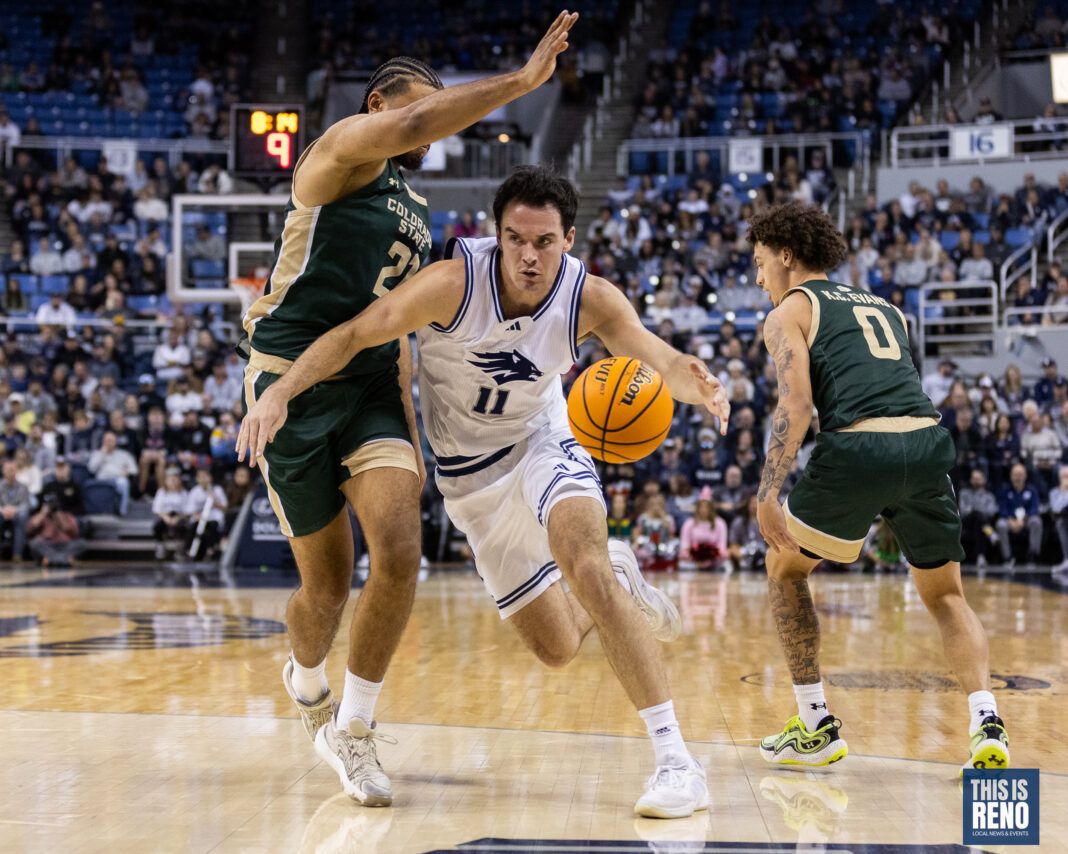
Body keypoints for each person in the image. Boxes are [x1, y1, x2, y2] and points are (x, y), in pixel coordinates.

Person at [239, 165, 731, 817]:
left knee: (584, 565)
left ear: (569, 239)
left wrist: (691, 381)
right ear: (496, 235)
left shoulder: (592, 299)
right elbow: (357, 334)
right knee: (556, 647)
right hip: (471, 479)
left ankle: (676, 763)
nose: (529, 256)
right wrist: (280, 388)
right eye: (515, 239)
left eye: (545, 242)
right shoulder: (449, 284)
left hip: (541, 440)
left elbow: (648, 350)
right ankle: (618, 570)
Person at [231, 17, 581, 808]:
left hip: (367, 389)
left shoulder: (414, 208)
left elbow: (392, 323)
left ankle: (355, 730)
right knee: (323, 591)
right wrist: (522, 83)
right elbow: (418, 121)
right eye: (418, 107)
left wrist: (410, 426)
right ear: (378, 103)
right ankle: (307, 678)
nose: (431, 122)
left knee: (397, 548)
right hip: (289, 374)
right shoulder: (338, 154)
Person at [748, 201, 1009, 774]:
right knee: (945, 595)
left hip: (860, 447)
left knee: (784, 569)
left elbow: (797, 402)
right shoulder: (886, 307)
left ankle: (815, 722)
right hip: (925, 442)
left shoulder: (788, 311)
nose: (759, 277)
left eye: (761, 262)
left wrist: (768, 489)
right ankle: (986, 717)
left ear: (786, 256)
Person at [994, 463, 1042, 568]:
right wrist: (1011, 521)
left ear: (1025, 476)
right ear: (1011, 476)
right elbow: (1002, 508)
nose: (1018, 478)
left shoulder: (1032, 490)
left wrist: (1023, 520)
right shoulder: (1005, 490)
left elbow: (1035, 508)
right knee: (1000, 524)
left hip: (1026, 520)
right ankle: (1007, 558)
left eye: (1020, 475)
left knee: (1036, 521)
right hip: (1009, 520)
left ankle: (1032, 557)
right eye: (1015, 475)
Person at [87, 431, 137, 515]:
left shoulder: (124, 454)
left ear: (116, 442)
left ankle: (122, 510)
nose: (109, 443)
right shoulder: (97, 454)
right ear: (103, 442)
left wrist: (126, 473)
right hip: (102, 480)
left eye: (111, 440)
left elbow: (134, 470)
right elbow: (91, 469)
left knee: (123, 482)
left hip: (118, 479)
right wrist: (102, 454)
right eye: (107, 440)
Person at [27, 494, 85, 567]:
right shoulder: (41, 516)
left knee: (81, 543)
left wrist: (59, 515)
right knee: (35, 543)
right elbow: (30, 529)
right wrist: (43, 513)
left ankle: (51, 560)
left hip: (65, 545)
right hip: (47, 545)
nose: (52, 507)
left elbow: (74, 533)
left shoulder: (67, 515)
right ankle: (65, 560)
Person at [678, 487, 727, 570]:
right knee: (682, 562)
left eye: (706, 507)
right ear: (697, 508)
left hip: (714, 559)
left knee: (726, 560)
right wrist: (694, 554)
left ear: (711, 508)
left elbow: (722, 546)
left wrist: (713, 554)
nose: (704, 510)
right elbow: (684, 546)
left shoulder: (720, 523)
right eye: (701, 507)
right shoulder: (689, 523)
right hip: (692, 559)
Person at [958, 469, 999, 566]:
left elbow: (991, 512)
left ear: (984, 480)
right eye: (974, 478)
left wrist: (973, 509)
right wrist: (977, 511)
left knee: (978, 522)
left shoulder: (989, 496)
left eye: (978, 479)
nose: (976, 481)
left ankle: (980, 557)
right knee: (976, 516)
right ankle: (990, 533)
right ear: (971, 480)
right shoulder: (964, 493)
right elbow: (963, 511)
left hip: (979, 525)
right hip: (966, 523)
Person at [185, 468, 227, 559]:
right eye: (201, 477)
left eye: (205, 476)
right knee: (193, 527)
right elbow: (189, 509)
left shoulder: (217, 490)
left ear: (210, 478)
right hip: (199, 518)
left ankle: (211, 549)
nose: (203, 479)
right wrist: (197, 515)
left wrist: (214, 500)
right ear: (197, 479)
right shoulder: (194, 491)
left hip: (213, 518)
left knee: (213, 527)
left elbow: (225, 507)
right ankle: (189, 550)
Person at [0, 459, 30, 561]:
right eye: (7, 470)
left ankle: (17, 554)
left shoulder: (23, 487)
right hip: (2, 512)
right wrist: (2, 510)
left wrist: (14, 510)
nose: (10, 472)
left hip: (17, 513)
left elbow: (25, 504)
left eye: (12, 469)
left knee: (22, 516)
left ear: (16, 471)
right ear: (3, 471)